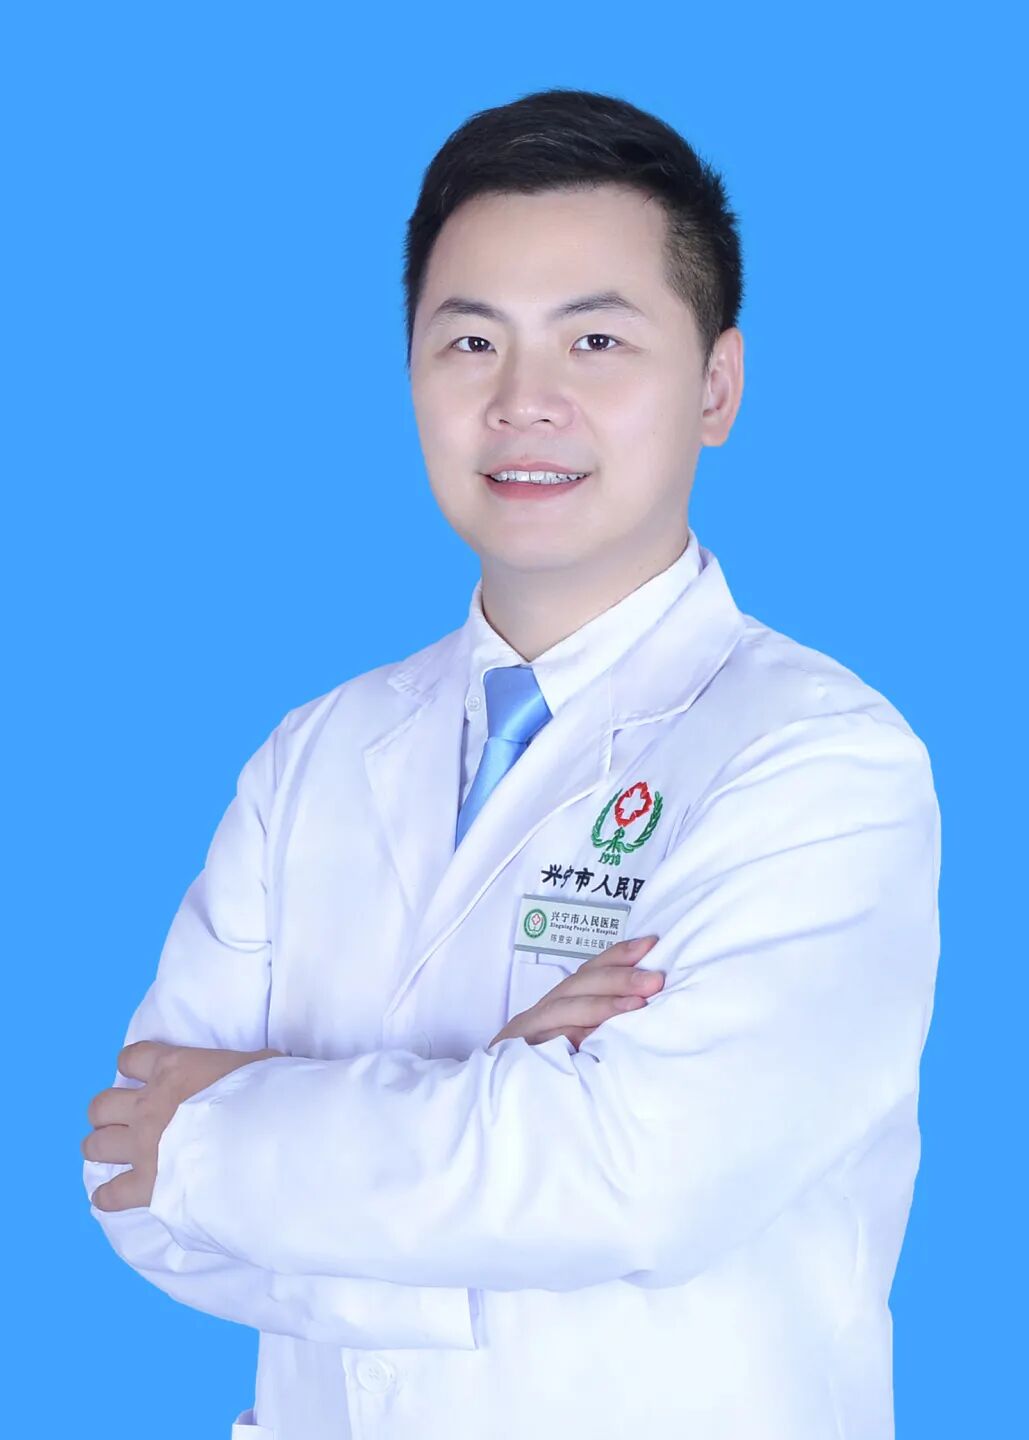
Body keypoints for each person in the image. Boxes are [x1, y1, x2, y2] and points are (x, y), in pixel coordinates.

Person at [82, 87, 941, 1440]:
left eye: (596, 340)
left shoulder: (820, 762)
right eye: (470, 341)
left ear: (715, 387)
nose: (522, 401)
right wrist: (495, 1102)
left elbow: (630, 1181)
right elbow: (129, 1178)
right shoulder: (313, 754)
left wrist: (230, 1137)